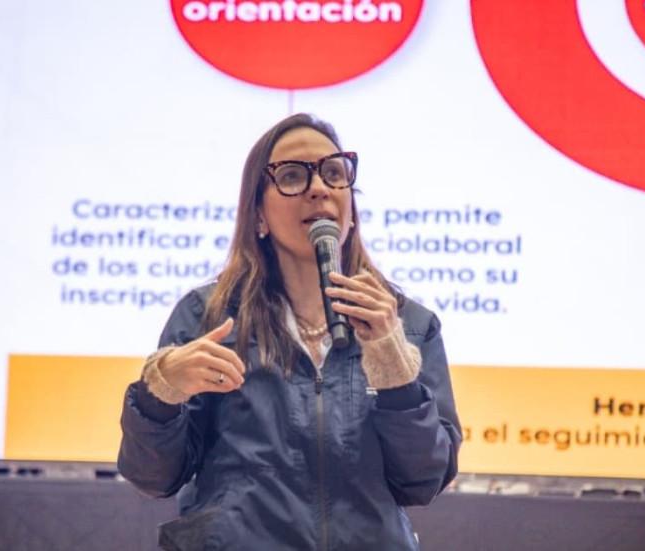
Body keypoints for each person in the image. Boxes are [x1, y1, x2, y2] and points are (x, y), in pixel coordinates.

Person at [117, 113, 462, 550]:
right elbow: (152, 476)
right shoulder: (208, 317)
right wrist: (160, 394)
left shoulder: (407, 324)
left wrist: (393, 369)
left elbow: (423, 480)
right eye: (294, 176)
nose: (319, 188)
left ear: (350, 209)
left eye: (334, 173)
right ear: (258, 213)